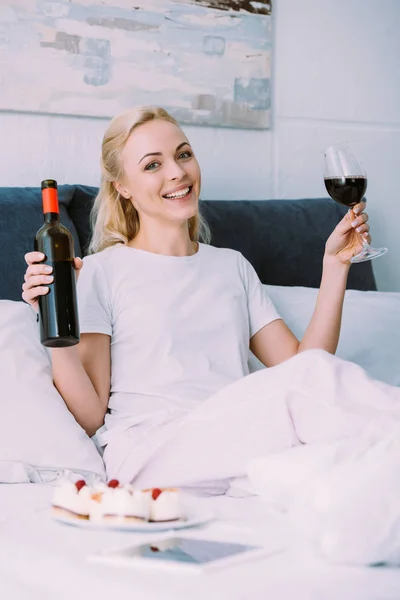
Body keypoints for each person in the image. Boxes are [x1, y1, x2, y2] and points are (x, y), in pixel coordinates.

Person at [21, 105, 373, 485]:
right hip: (149, 451)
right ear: (122, 187)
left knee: (342, 438)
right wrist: (52, 321)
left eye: (183, 154)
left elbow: (306, 368)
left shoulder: (232, 266)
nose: (177, 172)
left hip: (237, 441)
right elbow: (90, 415)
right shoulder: (101, 271)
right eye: (152, 165)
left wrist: (335, 265)